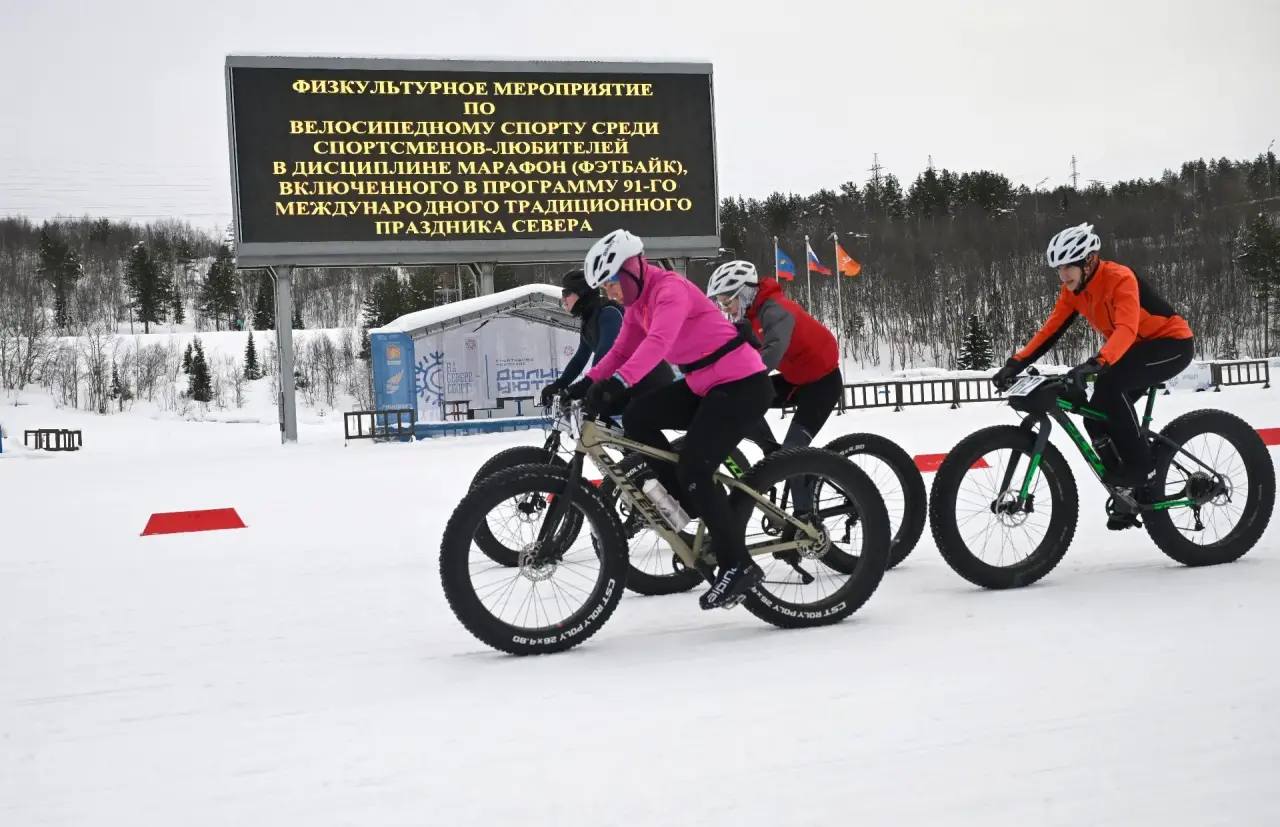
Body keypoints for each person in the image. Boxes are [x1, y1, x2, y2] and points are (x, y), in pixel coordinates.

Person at [566, 230, 774, 609]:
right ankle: (682, 496)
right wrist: (585, 385)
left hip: (741, 384)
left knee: (696, 467)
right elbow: (618, 351)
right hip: (705, 385)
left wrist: (619, 382)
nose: (609, 293)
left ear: (632, 270)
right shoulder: (636, 306)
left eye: (611, 283)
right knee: (638, 415)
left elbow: (658, 343)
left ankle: (737, 565)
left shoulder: (670, 290)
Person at [993, 222, 1195, 524]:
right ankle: (1128, 492)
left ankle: (1142, 468)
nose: (1063, 275)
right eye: (1058, 269)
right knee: (1094, 412)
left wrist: (1098, 362)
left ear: (1089, 261)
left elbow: (1127, 328)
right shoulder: (1073, 291)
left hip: (1170, 344)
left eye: (1068, 267)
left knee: (1110, 387)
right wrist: (1015, 363)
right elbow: (1051, 331)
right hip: (1130, 351)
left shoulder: (1119, 278)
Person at [705, 259, 842, 469]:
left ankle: (802, 497)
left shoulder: (776, 310)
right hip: (795, 380)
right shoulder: (750, 317)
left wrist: (739, 378)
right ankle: (770, 451)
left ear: (743, 293)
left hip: (822, 384)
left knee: (791, 457)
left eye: (727, 302)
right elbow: (731, 352)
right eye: (721, 304)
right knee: (740, 399)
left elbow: (772, 352)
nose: (726, 309)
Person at [537, 269, 673, 412]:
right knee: (590, 416)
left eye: (566, 293)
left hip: (650, 381)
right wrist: (559, 385)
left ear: (582, 293)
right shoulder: (589, 319)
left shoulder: (609, 313)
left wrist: (584, 387)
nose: (563, 299)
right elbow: (580, 359)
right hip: (628, 382)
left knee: (626, 420)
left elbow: (605, 354)